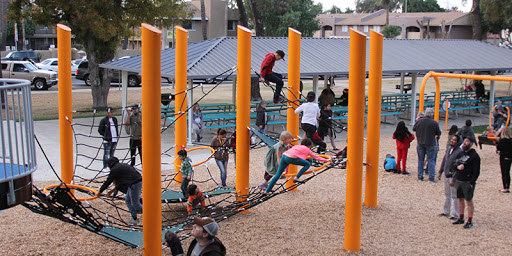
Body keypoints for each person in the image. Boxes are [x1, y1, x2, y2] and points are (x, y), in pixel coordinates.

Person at [265, 138, 330, 193]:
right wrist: (326, 160)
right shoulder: (307, 149)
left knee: (277, 175)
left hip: (284, 156)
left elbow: (289, 159)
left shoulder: (296, 146)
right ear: (309, 145)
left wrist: (285, 171)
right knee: (307, 164)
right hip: (290, 158)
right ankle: (297, 177)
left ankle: (266, 191)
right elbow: (316, 157)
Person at [96, 157, 142, 226]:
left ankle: (152, 214)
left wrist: (100, 192)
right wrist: (111, 191)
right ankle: (134, 219)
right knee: (128, 200)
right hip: (135, 182)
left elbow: (108, 181)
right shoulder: (122, 166)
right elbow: (120, 183)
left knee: (135, 203)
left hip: (134, 184)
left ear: (110, 165)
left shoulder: (115, 170)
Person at [451, 137, 480, 229]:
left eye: (467, 141)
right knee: (460, 199)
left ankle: (470, 220)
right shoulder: (460, 154)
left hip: (467, 181)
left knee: (469, 200)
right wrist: (457, 168)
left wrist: (472, 181)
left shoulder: (474, 156)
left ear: (471, 143)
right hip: (459, 179)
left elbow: (476, 171)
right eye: (464, 141)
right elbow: (454, 165)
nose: (464, 143)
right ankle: (461, 217)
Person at [437, 135, 463, 220]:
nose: (452, 141)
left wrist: (455, 178)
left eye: (454, 140)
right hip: (446, 174)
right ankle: (446, 211)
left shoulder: (459, 152)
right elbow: (444, 160)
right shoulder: (449, 149)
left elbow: (458, 165)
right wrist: (440, 171)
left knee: (455, 195)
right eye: (452, 139)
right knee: (447, 194)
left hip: (453, 176)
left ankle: (456, 214)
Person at [413, 108, 441, 182]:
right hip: (430, 142)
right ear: (432, 114)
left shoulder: (419, 121)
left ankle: (420, 176)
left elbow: (414, 129)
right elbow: (438, 133)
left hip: (420, 142)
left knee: (420, 160)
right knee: (431, 160)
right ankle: (431, 178)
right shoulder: (434, 123)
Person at [496, 126, 512, 193]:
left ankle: (505, 187)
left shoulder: (502, 141)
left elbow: (498, 148)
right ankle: (507, 186)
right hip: (510, 157)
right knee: (507, 172)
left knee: (504, 172)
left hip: (503, 157)